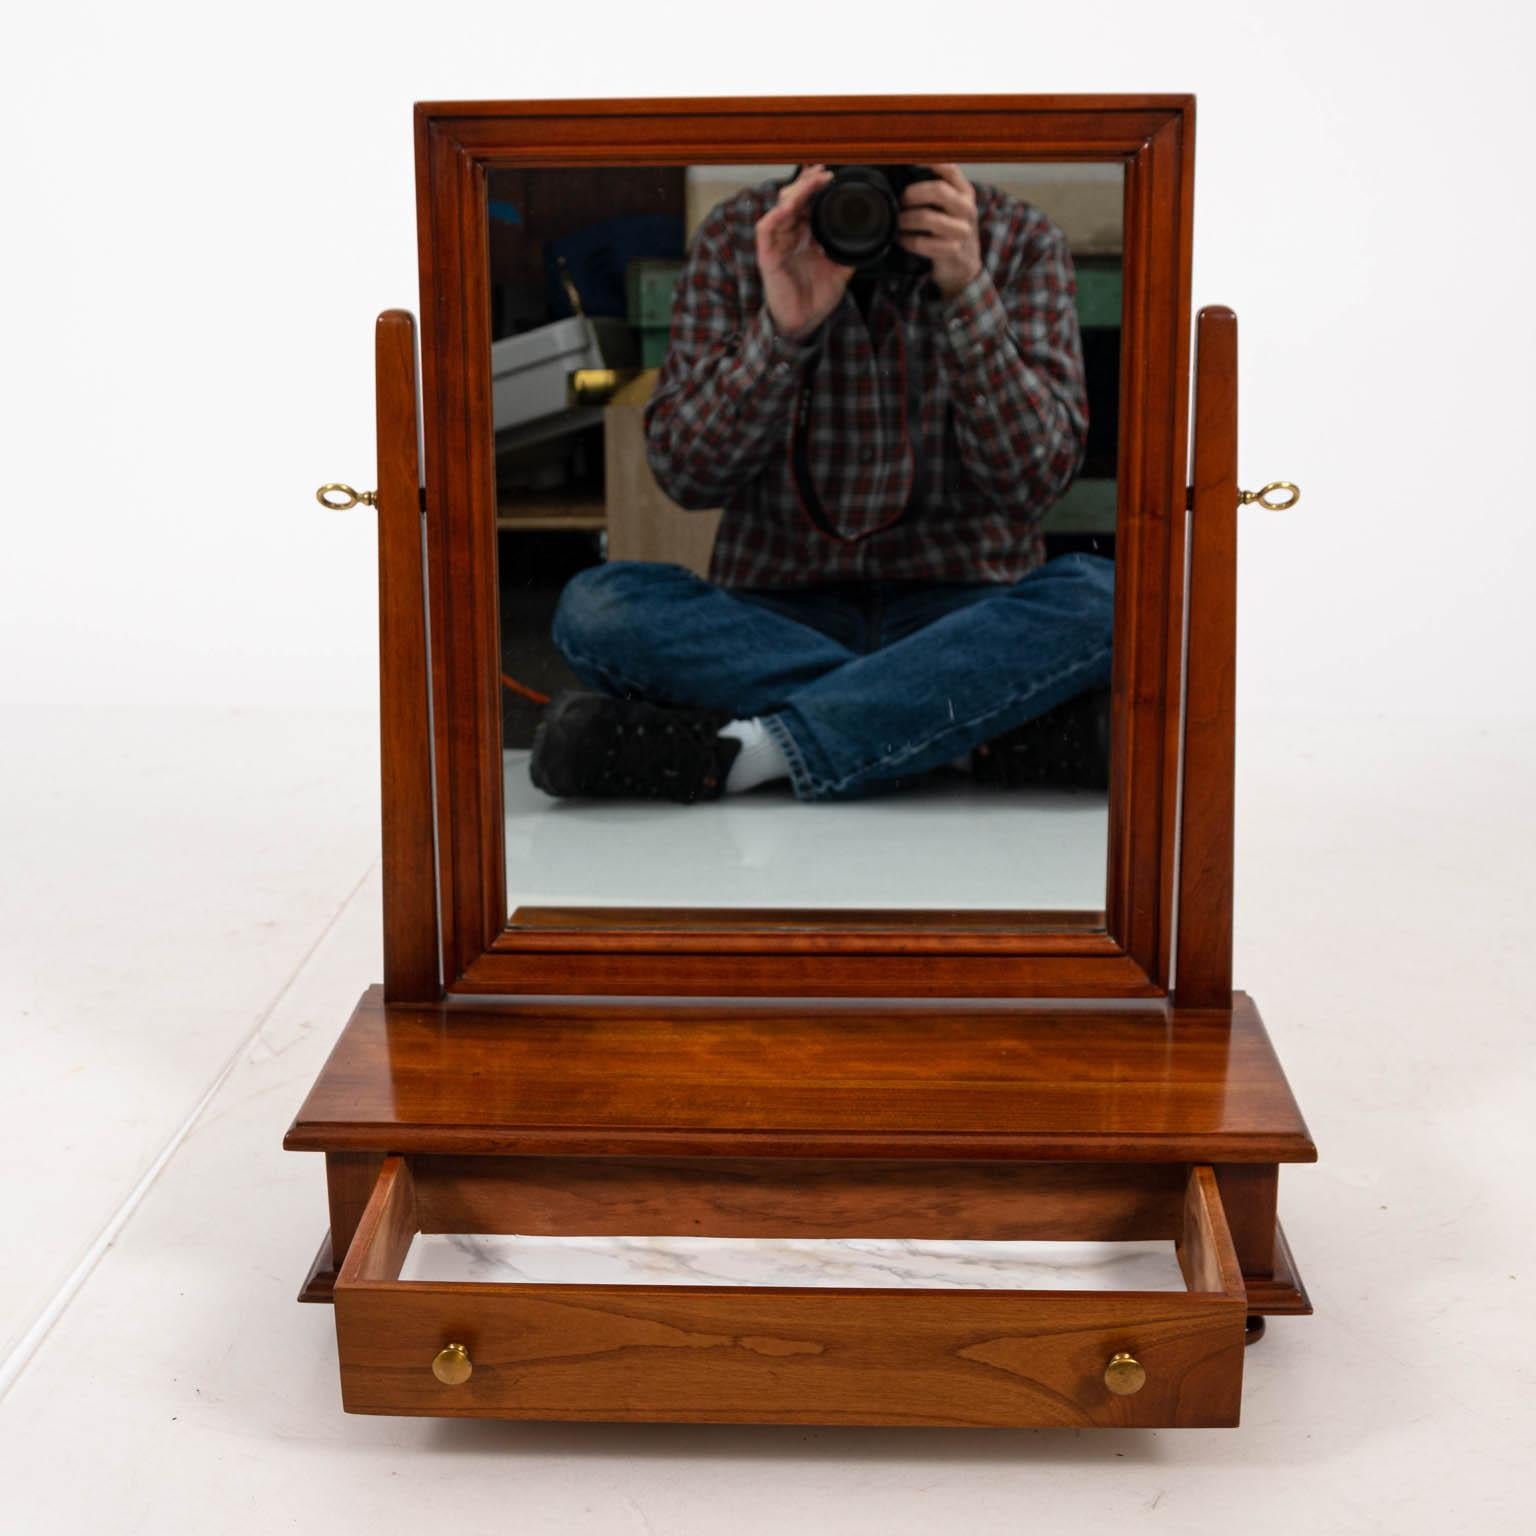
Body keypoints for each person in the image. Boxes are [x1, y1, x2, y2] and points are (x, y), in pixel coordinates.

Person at [530, 162, 1114, 804]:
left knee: (1107, 597)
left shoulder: (1017, 237)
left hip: (967, 611)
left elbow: (1036, 482)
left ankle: (750, 752)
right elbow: (687, 474)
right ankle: (965, 735)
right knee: (599, 608)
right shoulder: (742, 234)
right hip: (773, 611)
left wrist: (969, 295)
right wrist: (782, 331)